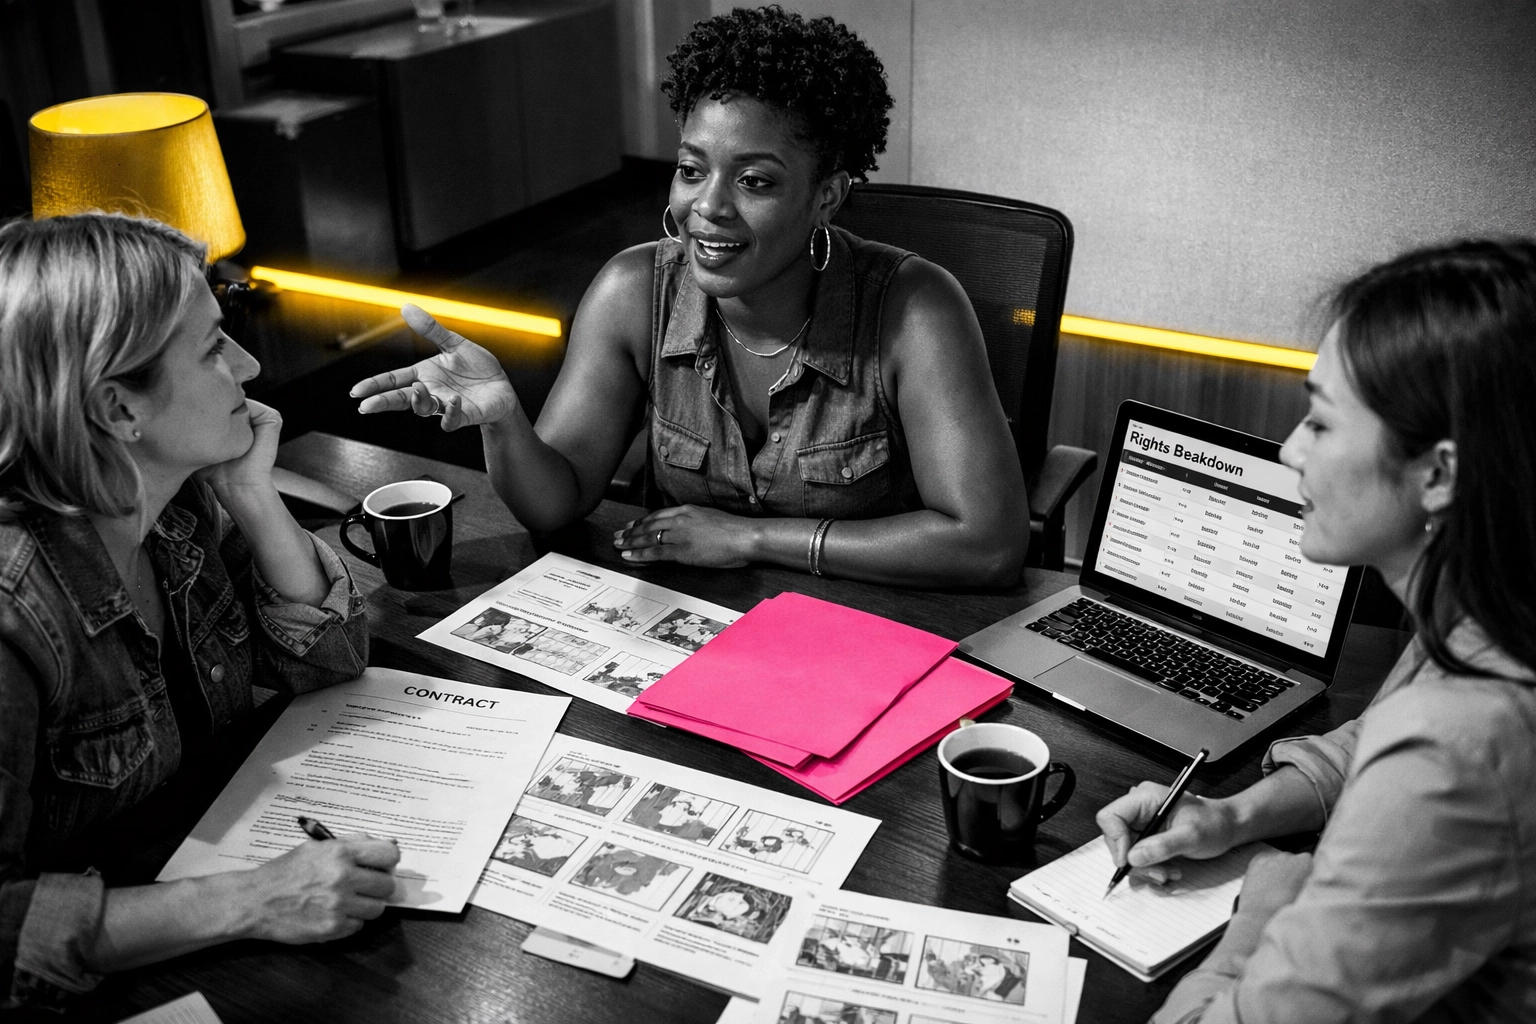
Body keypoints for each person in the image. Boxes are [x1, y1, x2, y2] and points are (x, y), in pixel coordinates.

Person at [349, 6, 1028, 589]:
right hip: (692, 624)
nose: (709, 207)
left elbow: (988, 545)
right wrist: (503, 421)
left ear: (827, 196)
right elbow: (553, 504)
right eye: (691, 169)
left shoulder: (915, 307)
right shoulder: (631, 290)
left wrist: (751, 539)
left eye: (755, 182)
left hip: (870, 627)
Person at [1094, 239, 1536, 1022]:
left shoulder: (1458, 746)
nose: (1291, 448)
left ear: (1438, 475)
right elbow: (1365, 740)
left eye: (1322, 424)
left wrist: (1269, 903)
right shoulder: (1489, 613)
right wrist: (1233, 816)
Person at [0, 214, 395, 1011]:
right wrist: (253, 900)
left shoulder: (175, 509)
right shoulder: (14, 612)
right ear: (118, 409)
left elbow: (328, 660)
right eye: (214, 347)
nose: (248, 364)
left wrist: (251, 493)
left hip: (172, 868)